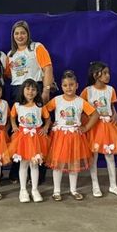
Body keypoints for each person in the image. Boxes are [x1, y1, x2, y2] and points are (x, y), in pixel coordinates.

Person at [6, 20, 54, 183]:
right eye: (16, 33)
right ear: (13, 36)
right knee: (20, 132)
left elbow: (47, 67)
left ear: (28, 34)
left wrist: (46, 90)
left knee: (37, 130)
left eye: (23, 33)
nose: (20, 36)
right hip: (17, 91)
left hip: (36, 88)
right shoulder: (10, 54)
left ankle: (38, 174)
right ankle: (17, 173)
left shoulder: (36, 47)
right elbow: (8, 75)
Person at [45, 70, 97, 201]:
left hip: (75, 136)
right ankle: (56, 191)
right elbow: (44, 111)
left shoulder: (80, 101)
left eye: (71, 84)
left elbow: (95, 114)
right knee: (58, 163)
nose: (68, 88)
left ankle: (73, 190)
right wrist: (49, 124)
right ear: (61, 86)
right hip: (60, 136)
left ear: (77, 85)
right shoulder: (57, 100)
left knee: (74, 164)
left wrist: (86, 127)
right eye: (65, 85)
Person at [80, 61, 117, 198]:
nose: (108, 76)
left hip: (107, 126)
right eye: (105, 73)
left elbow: (111, 106)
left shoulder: (110, 90)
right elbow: (81, 107)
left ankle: (113, 185)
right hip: (93, 126)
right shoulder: (88, 91)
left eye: (108, 73)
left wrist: (115, 114)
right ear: (96, 75)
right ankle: (95, 185)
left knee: (110, 155)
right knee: (94, 156)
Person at [6, 79, 51, 203]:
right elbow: (12, 116)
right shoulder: (17, 105)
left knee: (34, 164)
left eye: (33, 89)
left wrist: (46, 128)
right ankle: (23, 190)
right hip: (23, 139)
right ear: (22, 90)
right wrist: (14, 125)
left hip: (36, 138)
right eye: (28, 89)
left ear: (37, 91)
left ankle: (35, 190)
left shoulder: (40, 106)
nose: (30, 92)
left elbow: (47, 119)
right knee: (23, 164)